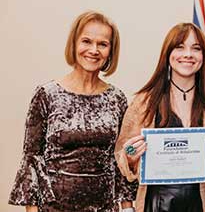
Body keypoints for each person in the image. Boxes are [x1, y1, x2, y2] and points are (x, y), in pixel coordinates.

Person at [8, 11, 137, 212]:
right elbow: (32, 159)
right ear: (74, 44)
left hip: (104, 207)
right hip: (54, 208)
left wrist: (128, 207)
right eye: (87, 41)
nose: (94, 50)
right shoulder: (47, 94)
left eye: (102, 44)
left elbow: (120, 157)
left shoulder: (117, 99)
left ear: (111, 51)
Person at [114, 23, 205, 212]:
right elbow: (121, 154)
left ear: (203, 57)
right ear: (168, 55)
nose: (188, 54)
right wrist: (130, 154)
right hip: (155, 203)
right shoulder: (144, 102)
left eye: (196, 49)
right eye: (180, 47)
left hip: (200, 203)